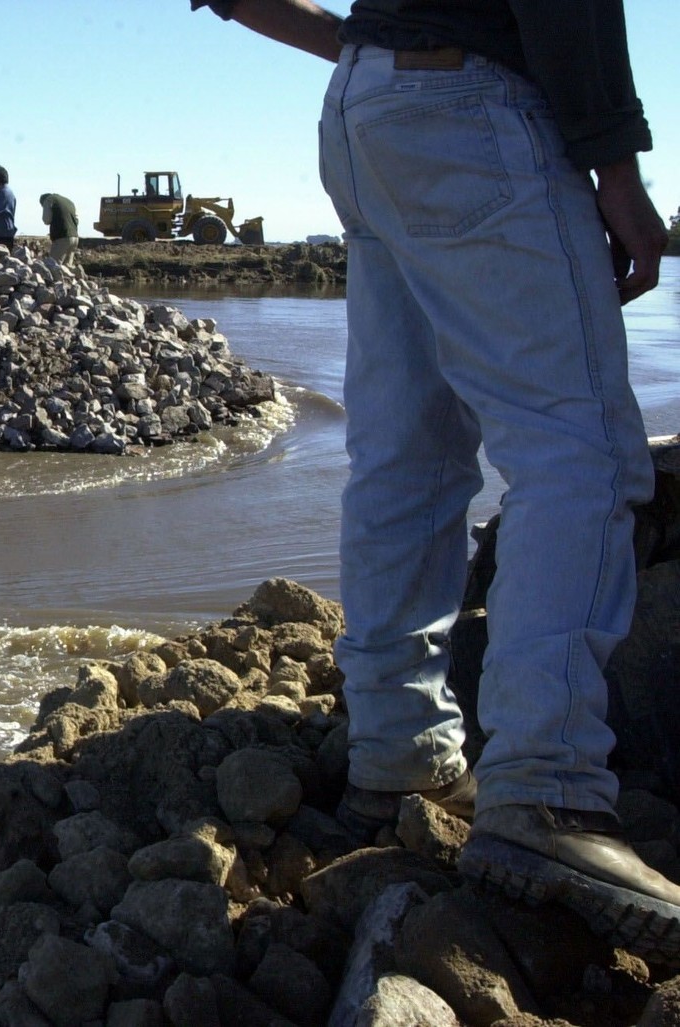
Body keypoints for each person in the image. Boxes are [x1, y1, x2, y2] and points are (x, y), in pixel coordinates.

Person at [193, 0, 680, 959]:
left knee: (406, 456)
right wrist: (614, 162)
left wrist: (376, 45)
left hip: (362, 110)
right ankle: (546, 788)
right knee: (575, 449)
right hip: (473, 103)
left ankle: (397, 750)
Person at [40, 192, 78, 266]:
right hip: (75, 237)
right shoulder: (68, 201)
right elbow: (76, 220)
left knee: (53, 266)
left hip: (62, 237)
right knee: (67, 267)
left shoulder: (48, 200)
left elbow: (47, 219)